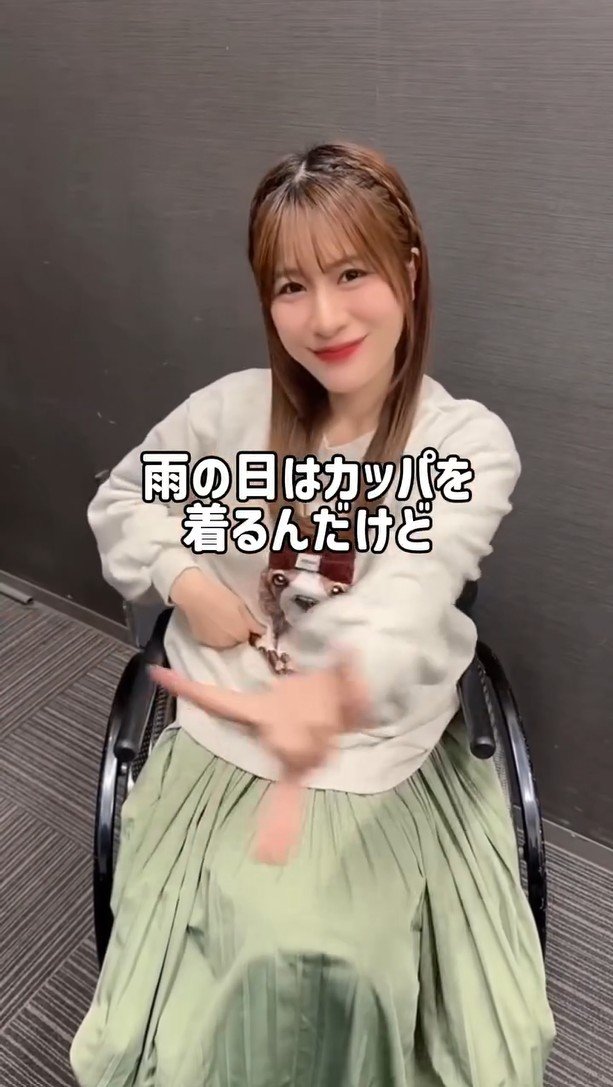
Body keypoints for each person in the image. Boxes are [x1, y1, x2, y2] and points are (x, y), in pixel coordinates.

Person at [71, 141, 555, 1086]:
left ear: (407, 271)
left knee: (351, 970)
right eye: (291, 287)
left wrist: (338, 680)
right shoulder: (229, 415)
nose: (324, 317)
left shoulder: (462, 442)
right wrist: (186, 578)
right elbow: (124, 499)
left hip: (381, 759)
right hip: (226, 745)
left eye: (351, 273)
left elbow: (418, 581)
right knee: (251, 960)